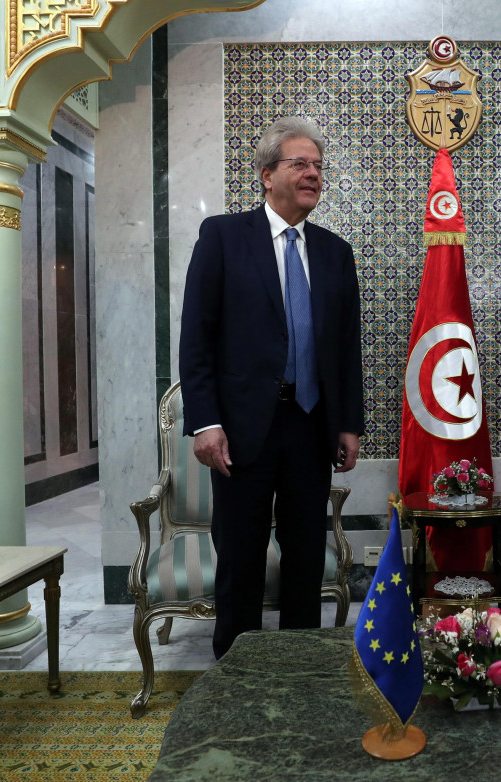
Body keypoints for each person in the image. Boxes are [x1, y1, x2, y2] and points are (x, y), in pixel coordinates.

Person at [179, 116, 364, 658]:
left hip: (310, 427)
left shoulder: (335, 252)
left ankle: (300, 666)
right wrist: (206, 422)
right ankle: (236, 673)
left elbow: (344, 348)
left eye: (318, 167)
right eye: (299, 164)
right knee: (240, 556)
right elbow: (197, 339)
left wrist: (348, 422)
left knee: (306, 555)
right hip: (240, 430)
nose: (313, 174)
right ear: (266, 175)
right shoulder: (223, 236)